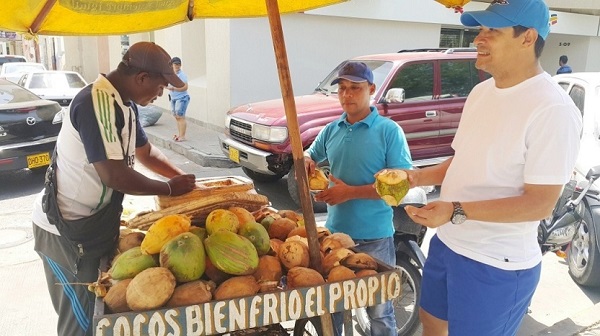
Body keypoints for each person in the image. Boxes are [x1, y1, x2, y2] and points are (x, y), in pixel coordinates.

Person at [400, 1, 583, 335]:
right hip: (448, 243)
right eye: (480, 30)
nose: (477, 40)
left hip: (497, 264)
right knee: (431, 325)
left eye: (492, 31)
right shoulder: (481, 92)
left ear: (528, 38)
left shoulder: (553, 110)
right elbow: (464, 159)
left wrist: (454, 209)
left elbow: (538, 204)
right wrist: (416, 176)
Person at [31, 41, 197, 336]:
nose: (159, 95)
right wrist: (168, 189)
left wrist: (186, 182)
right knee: (80, 324)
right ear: (141, 78)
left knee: (98, 315)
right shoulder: (97, 103)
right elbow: (114, 176)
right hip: (65, 235)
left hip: (92, 227)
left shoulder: (125, 104)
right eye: (159, 88)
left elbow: (146, 154)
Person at [304, 61, 413, 336]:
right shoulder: (332, 129)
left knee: (379, 312)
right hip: (336, 238)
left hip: (375, 238)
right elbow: (309, 155)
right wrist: (305, 161)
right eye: (342, 88)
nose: (347, 95)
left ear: (372, 89)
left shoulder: (389, 131)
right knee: (335, 309)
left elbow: (399, 187)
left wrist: (349, 192)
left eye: (355, 88)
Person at [167, 56, 190, 142]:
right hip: (173, 98)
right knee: (176, 117)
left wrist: (174, 88)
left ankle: (182, 136)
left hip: (182, 98)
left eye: (179, 64)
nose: (177, 66)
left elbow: (185, 87)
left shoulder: (181, 75)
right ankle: (179, 134)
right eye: (175, 64)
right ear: (171, 65)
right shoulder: (171, 75)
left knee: (180, 117)